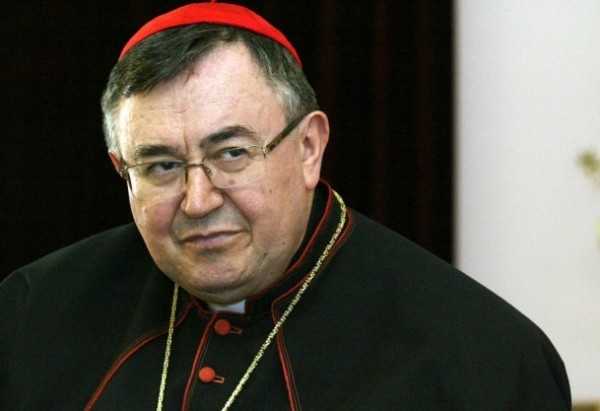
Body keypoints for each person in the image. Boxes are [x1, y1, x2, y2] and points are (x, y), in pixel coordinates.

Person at [0, 3, 571, 410]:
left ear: (308, 149)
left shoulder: (483, 359)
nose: (197, 201)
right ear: (122, 171)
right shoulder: (29, 316)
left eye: (231, 153)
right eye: (162, 166)